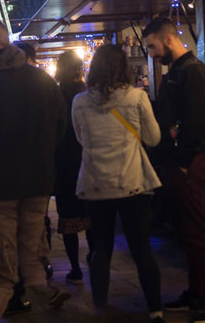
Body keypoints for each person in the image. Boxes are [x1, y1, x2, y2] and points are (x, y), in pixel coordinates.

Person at [0, 18, 71, 321]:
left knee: (2, 272)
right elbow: (61, 128)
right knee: (30, 250)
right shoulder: (42, 81)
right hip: (38, 182)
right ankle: (43, 289)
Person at [72, 44, 164, 321]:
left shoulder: (80, 102)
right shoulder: (137, 97)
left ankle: (100, 305)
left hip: (95, 183)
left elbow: (80, 139)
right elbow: (153, 138)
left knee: (101, 248)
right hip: (132, 183)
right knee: (142, 250)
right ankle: (155, 310)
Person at [141, 17, 205, 321]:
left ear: (169, 40)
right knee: (189, 231)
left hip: (190, 163)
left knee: (196, 231)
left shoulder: (192, 73)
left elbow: (198, 122)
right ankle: (197, 292)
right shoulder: (180, 72)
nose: (151, 52)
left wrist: (185, 163)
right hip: (181, 163)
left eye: (152, 45)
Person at [52, 50, 90, 283]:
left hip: (64, 164)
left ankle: (75, 268)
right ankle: (95, 258)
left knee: (67, 218)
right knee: (91, 216)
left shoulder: (55, 96)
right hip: (87, 160)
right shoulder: (88, 94)